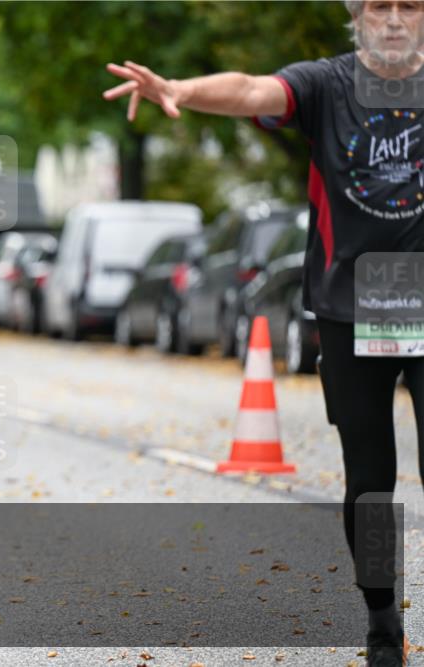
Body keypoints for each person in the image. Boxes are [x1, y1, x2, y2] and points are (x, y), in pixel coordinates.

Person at [104, 1, 423, 664]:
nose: (395, 20)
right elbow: (252, 89)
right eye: (380, 6)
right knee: (371, 479)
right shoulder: (326, 85)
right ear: (357, 16)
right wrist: (180, 91)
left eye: (411, 6)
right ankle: (382, 619)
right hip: (349, 306)